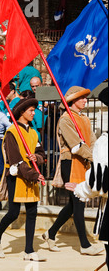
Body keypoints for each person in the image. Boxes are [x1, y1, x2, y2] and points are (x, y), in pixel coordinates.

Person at [43, 86, 103, 256]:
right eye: (82, 98)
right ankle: (84, 245)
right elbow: (75, 146)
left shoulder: (84, 118)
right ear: (72, 100)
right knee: (78, 203)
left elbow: (92, 141)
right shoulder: (65, 119)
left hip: (85, 162)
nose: (85, 100)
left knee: (73, 204)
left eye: (85, 98)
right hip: (71, 163)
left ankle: (50, 234)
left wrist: (97, 155)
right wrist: (94, 157)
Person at [0, 98, 46, 261]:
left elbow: (42, 155)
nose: (33, 113)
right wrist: (35, 174)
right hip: (17, 176)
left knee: (32, 212)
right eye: (30, 110)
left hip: (31, 176)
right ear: (22, 112)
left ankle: (29, 250)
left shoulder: (34, 133)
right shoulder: (12, 132)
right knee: (14, 213)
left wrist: (36, 157)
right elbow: (15, 160)